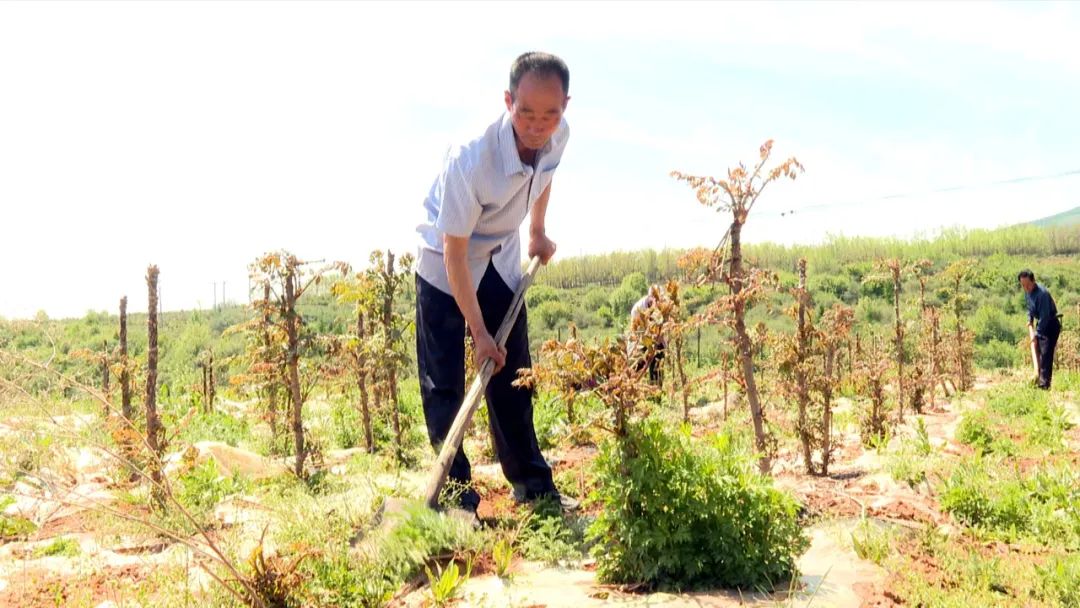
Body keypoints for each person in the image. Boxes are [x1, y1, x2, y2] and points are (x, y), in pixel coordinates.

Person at [414, 52, 575, 515]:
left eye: (551, 113)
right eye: (526, 112)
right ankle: (456, 497)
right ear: (508, 101)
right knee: (443, 383)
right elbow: (454, 251)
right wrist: (479, 333)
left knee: (514, 373)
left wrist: (536, 230)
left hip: (499, 255)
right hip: (446, 264)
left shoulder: (557, 134)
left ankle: (531, 482)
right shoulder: (472, 159)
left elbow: (544, 177)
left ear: (565, 105)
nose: (538, 125)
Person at [1019, 269, 1062, 389]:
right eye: (1023, 285)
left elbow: (1044, 317)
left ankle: (1044, 385)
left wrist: (1036, 334)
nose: (1026, 287)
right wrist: (1029, 321)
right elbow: (1029, 308)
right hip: (1042, 324)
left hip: (1050, 324)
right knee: (1038, 351)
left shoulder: (1042, 294)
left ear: (1033, 281)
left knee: (1046, 354)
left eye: (1027, 284)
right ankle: (1038, 379)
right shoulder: (1028, 292)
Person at [628, 288, 664, 387]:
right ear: (650, 297)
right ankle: (631, 390)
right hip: (641, 342)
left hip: (657, 340)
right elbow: (634, 331)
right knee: (638, 367)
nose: (657, 302)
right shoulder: (637, 308)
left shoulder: (661, 308)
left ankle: (657, 393)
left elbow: (663, 326)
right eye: (655, 299)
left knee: (657, 367)